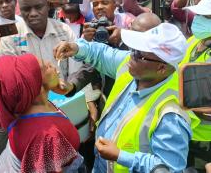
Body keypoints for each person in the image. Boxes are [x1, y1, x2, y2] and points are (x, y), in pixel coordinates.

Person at [54, 23, 191, 172]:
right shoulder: (132, 67)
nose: (130, 56)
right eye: (133, 49)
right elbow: (101, 53)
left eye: (138, 54)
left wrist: (121, 156)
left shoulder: (171, 114)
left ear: (161, 68)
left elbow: (170, 169)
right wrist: (77, 48)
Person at [0, 54, 83, 172]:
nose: (51, 63)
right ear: (38, 86)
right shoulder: (45, 135)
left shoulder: (26, 107)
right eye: (46, 67)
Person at [180, 0, 211, 172]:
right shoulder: (194, 41)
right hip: (187, 131)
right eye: (198, 14)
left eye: (206, 16)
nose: (198, 19)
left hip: (207, 139)